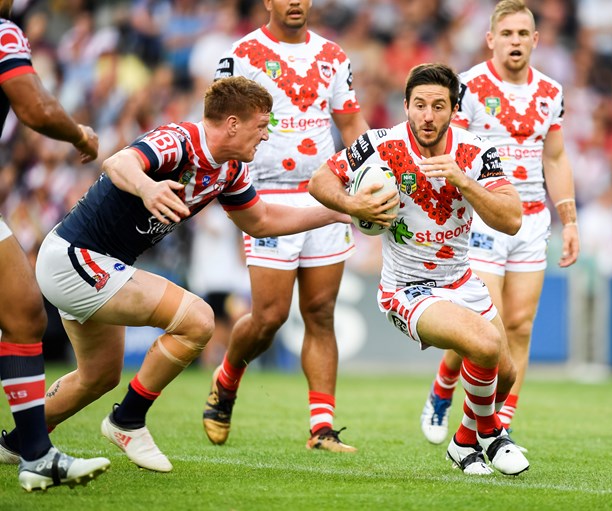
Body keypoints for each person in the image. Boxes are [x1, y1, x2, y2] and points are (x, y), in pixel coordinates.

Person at [0, 76, 349, 474]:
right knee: (199, 320)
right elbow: (118, 162)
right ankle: (127, 420)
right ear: (233, 124)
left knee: (98, 377)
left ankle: (16, 443)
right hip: (75, 258)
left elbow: (262, 220)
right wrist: (148, 189)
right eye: (261, 125)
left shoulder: (230, 169)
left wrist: (336, 212)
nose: (266, 135)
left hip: (98, 265)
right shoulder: (178, 140)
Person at [309, 63, 530, 476]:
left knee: (507, 373)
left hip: (461, 280)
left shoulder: (475, 151)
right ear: (406, 105)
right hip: (407, 289)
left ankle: (463, 441)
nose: (428, 116)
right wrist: (354, 206)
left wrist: (463, 181)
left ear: (454, 109)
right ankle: (492, 437)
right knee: (483, 344)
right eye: (420, 105)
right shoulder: (379, 144)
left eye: (439, 106)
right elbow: (320, 181)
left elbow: (513, 217)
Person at [202, 0, 369, 453]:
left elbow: (350, 122)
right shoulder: (241, 54)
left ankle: (322, 427)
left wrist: (370, 178)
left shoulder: (333, 55)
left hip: (324, 193)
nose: (296, 1)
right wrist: (224, 188)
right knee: (270, 316)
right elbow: (219, 126)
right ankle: (228, 377)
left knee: (320, 312)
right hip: (267, 196)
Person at [418, 0, 579, 446]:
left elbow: (556, 155)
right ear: (491, 39)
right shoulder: (467, 86)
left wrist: (569, 219)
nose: (515, 41)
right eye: (506, 33)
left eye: (522, 34)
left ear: (535, 40)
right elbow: (452, 146)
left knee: (522, 326)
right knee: (488, 325)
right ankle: (443, 389)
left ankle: (501, 422)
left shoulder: (550, 91)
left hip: (531, 218)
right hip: (483, 218)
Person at [0, 0, 110, 492]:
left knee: (24, 313)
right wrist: (78, 133)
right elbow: (34, 106)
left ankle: (36, 455)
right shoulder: (4, 32)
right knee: (23, 313)